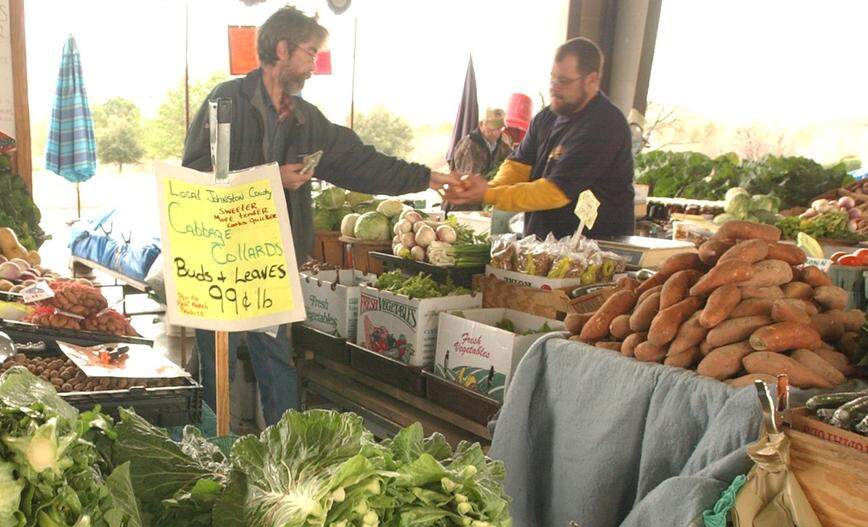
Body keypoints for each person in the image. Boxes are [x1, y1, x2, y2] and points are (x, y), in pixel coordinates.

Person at [182, 5, 456, 426]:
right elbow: (195, 175)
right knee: (215, 361)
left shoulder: (306, 120)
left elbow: (360, 162)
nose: (314, 64)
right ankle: (209, 454)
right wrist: (272, 178)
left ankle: (288, 455)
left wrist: (427, 176)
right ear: (282, 48)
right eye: (310, 53)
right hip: (216, 260)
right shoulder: (225, 101)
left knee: (276, 360)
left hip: (269, 264)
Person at [444, 38, 634, 239]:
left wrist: (488, 194)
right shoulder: (547, 117)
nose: (554, 87)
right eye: (552, 79)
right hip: (545, 244)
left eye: (564, 81)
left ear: (591, 80)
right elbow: (517, 166)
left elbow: (555, 192)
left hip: (596, 248)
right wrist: (488, 186)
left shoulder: (603, 124)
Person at [447, 108, 512, 211]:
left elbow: (511, 166)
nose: (495, 133)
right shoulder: (470, 146)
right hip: (463, 206)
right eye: (492, 128)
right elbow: (469, 182)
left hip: (484, 204)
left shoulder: (503, 146)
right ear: (482, 124)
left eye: (499, 128)